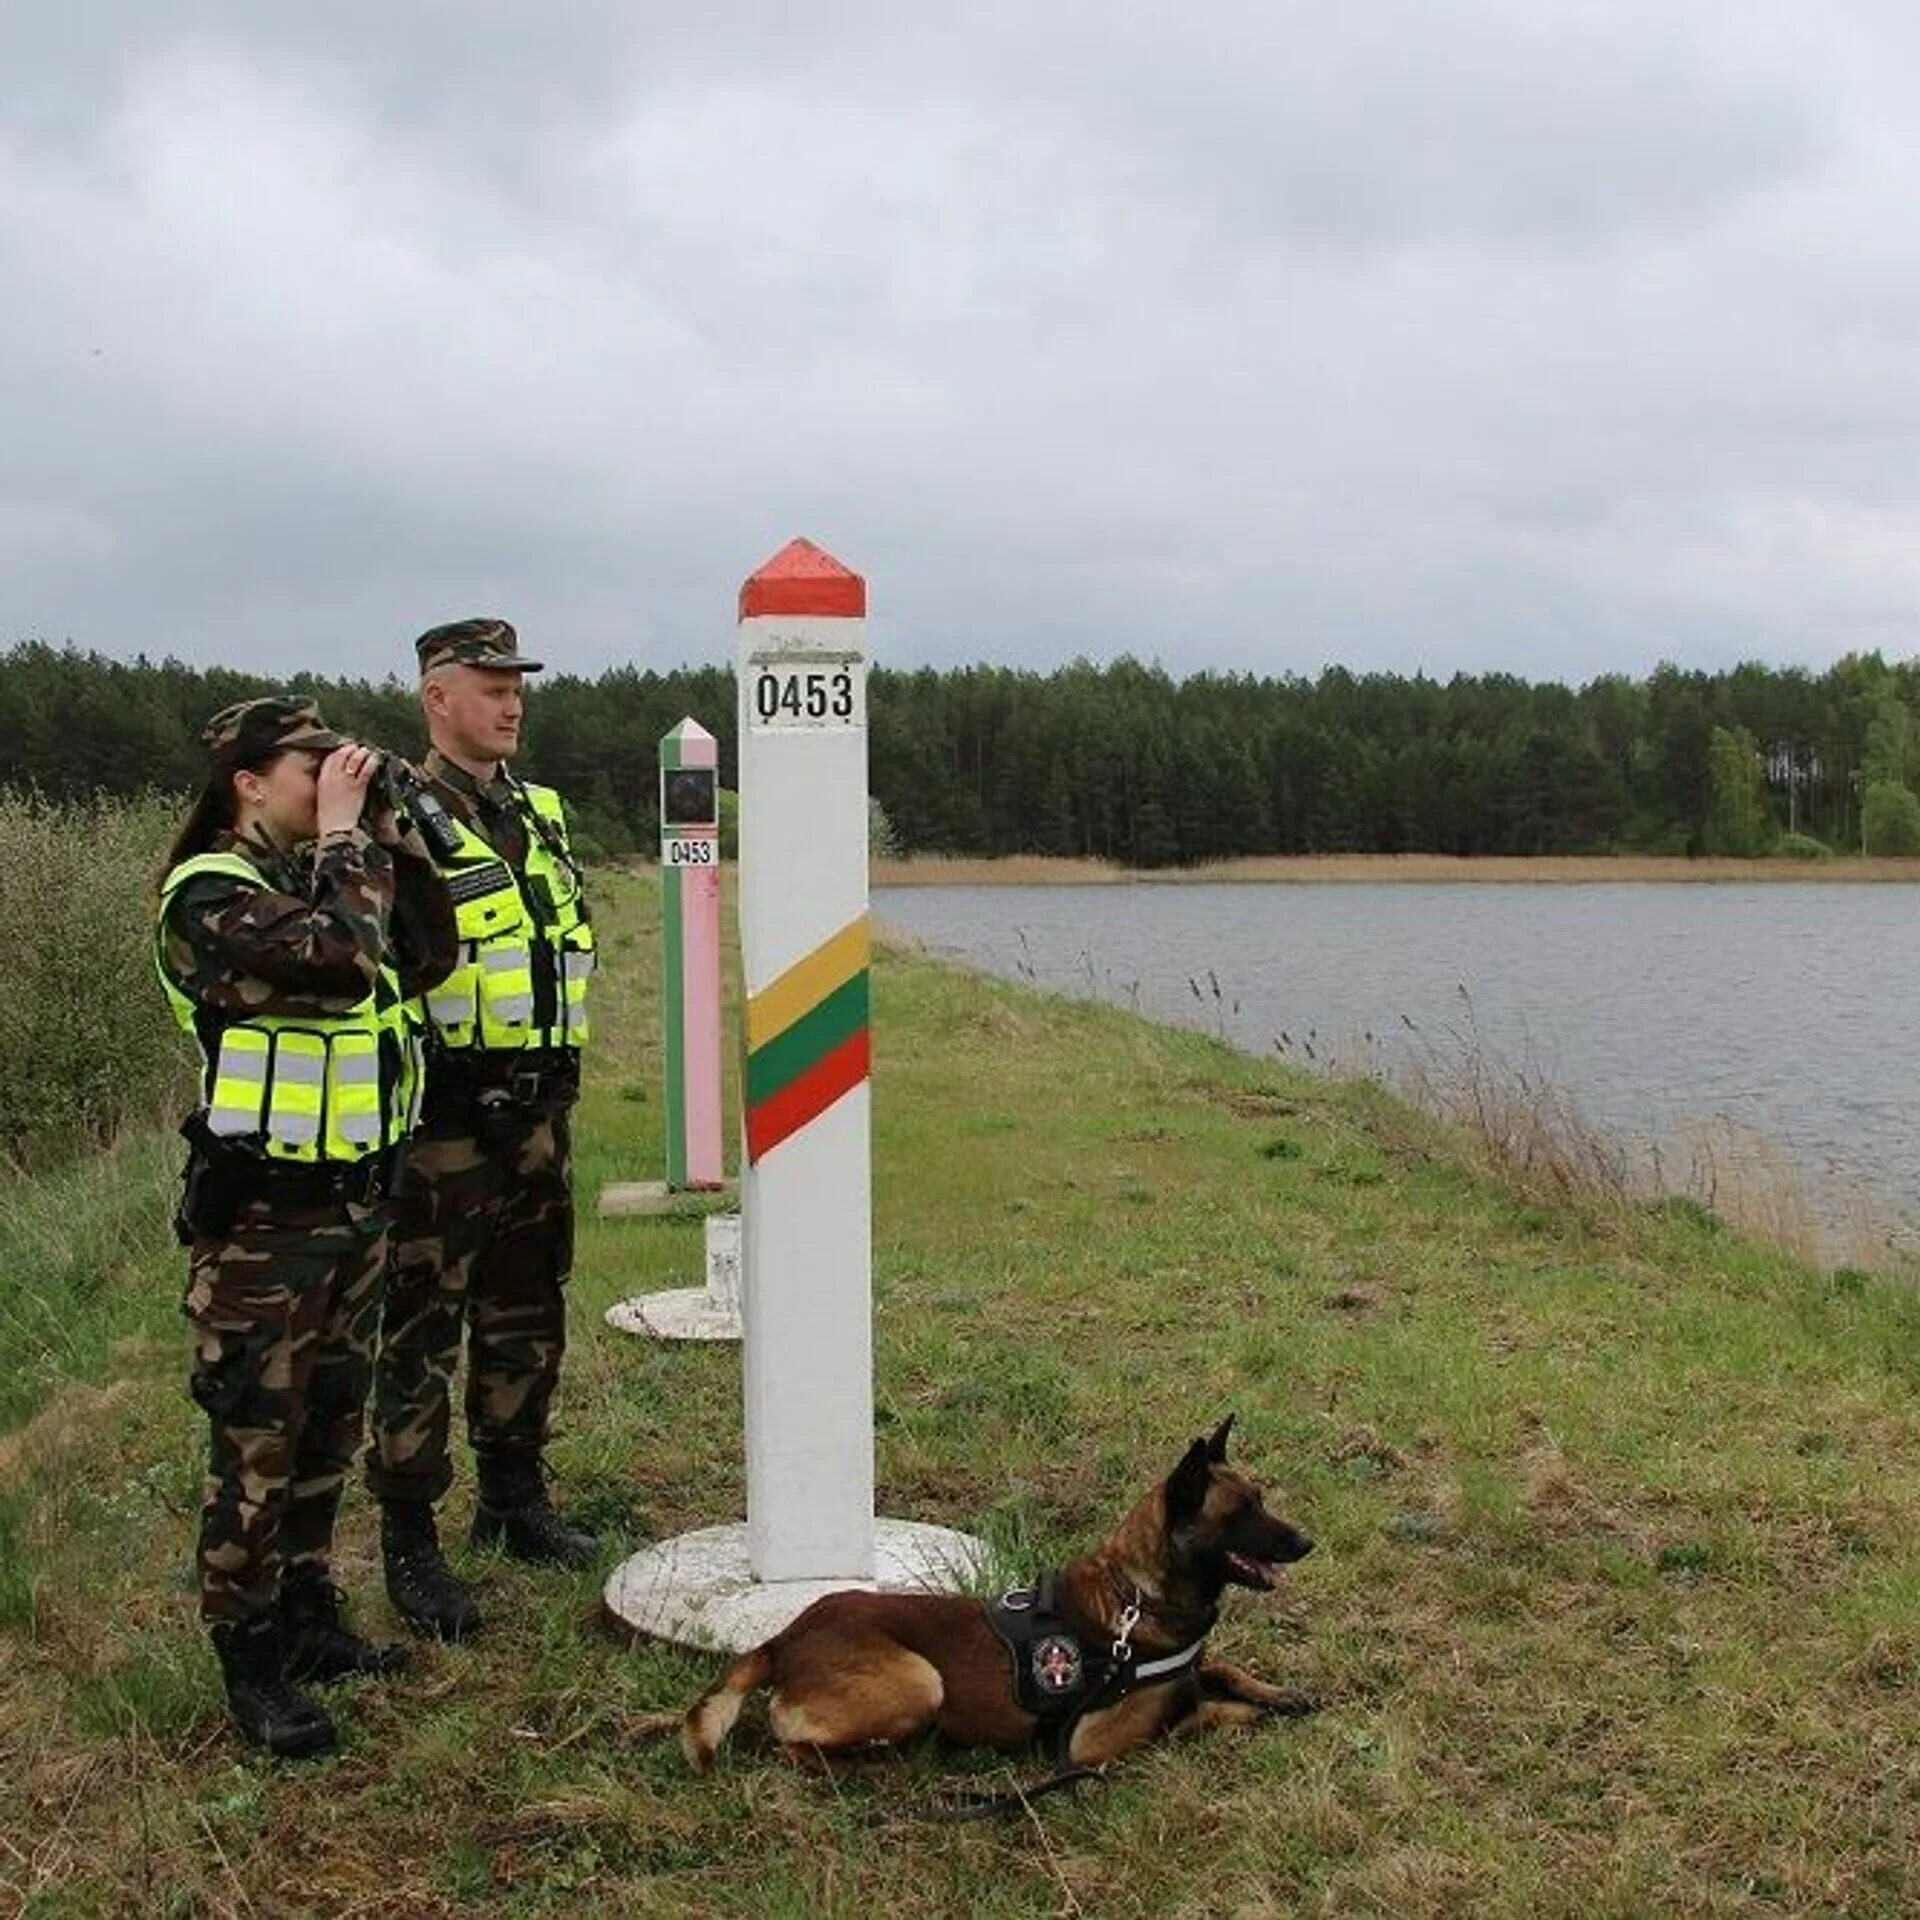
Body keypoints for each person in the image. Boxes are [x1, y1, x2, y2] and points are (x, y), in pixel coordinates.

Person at [157, 695, 458, 1757]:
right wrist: (342, 839)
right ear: (247, 781)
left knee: (329, 1426)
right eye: (312, 764)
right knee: (255, 1449)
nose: (332, 776)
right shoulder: (208, 896)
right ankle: (251, 1669)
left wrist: (386, 838)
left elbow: (422, 958)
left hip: (353, 1210)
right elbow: (338, 958)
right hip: (262, 1233)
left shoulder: (326, 876)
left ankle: (310, 1619)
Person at [367, 618, 599, 1641]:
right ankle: (411, 1544)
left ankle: (514, 1499)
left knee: (526, 1307)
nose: (510, 703)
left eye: (518, 686)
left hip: (539, 1113)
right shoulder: (394, 817)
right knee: (423, 1326)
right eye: (489, 684)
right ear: (436, 698)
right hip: (444, 1124)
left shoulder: (537, 813)